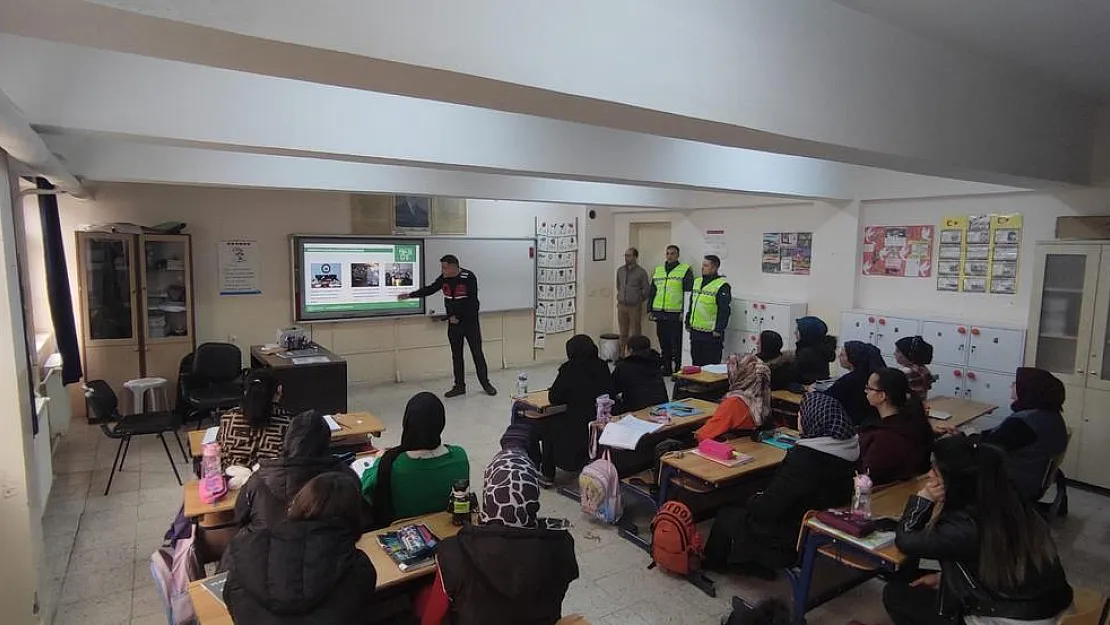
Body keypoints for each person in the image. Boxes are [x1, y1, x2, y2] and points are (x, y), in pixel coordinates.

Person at [883, 436, 1074, 625]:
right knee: (911, 579)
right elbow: (996, 562)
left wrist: (924, 498)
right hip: (1048, 605)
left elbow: (906, 540)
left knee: (894, 594)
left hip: (1011, 617)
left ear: (955, 481)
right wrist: (945, 579)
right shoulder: (1013, 505)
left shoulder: (964, 526)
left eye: (935, 471)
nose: (929, 476)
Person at [419, 438, 579, 625]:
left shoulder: (453, 552)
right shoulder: (560, 546)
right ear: (533, 497)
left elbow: (430, 620)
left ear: (489, 496)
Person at [704, 392, 858, 578]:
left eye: (802, 413)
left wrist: (752, 499)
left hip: (787, 536)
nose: (799, 417)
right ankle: (745, 561)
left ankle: (714, 564)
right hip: (817, 524)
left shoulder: (805, 459)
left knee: (728, 513)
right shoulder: (850, 451)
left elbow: (769, 508)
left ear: (814, 419)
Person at [223, 472, 378, 625]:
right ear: (355, 516)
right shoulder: (360, 569)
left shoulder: (245, 553)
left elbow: (232, 600)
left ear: (299, 503)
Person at [231, 411, 358, 534]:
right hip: (326, 551)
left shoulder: (258, 479)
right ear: (326, 443)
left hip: (268, 550)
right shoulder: (344, 477)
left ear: (287, 439)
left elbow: (240, 519)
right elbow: (358, 522)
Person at [361, 392, 469, 527]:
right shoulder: (460, 456)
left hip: (404, 534)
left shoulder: (391, 466)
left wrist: (378, 460)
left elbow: (366, 489)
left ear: (407, 422)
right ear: (441, 423)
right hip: (448, 531)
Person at [400, 254, 497, 397]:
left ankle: (486, 384)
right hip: (453, 324)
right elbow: (431, 289)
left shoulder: (468, 277)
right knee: (456, 356)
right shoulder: (444, 278)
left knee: (477, 354)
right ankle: (459, 386)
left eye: (445, 267)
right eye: (442, 267)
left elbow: (473, 304)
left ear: (453, 266)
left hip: (470, 323)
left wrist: (457, 317)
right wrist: (410, 295)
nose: (443, 270)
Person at [980, 367, 1069, 501]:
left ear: (1029, 389)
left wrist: (963, 440)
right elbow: (1002, 437)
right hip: (1033, 478)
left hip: (1014, 483)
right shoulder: (1051, 415)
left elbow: (987, 447)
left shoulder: (1024, 422)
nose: (1012, 386)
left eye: (1016, 383)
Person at [541, 335, 615, 485]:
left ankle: (548, 475)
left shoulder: (569, 369)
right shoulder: (602, 366)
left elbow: (555, 397)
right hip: (601, 421)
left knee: (547, 426)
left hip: (578, 424)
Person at [859, 368, 934, 485]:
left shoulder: (883, 438)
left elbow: (867, 476)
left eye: (869, 388)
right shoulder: (913, 421)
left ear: (882, 396)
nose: (866, 391)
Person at [215, 369, 293, 471]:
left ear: (246, 392)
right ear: (279, 391)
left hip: (232, 479)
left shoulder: (229, 417)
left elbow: (219, 449)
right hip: (271, 480)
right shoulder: (289, 422)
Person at [695, 354, 770, 442]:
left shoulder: (733, 403)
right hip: (754, 448)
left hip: (734, 449)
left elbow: (703, 436)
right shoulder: (764, 398)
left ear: (738, 374)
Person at [648, 245, 695, 374]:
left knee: (676, 344)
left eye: (673, 253)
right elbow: (652, 291)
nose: (670, 256)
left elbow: (688, 293)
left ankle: (678, 370)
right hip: (660, 312)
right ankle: (666, 368)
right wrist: (650, 310)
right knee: (664, 343)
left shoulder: (685, 270)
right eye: (668, 253)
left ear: (678, 255)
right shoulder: (659, 270)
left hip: (675, 314)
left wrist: (684, 312)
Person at [824, 340, 886, 427]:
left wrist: (811, 390)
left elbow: (826, 397)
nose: (839, 356)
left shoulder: (849, 380)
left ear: (852, 359)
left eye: (842, 355)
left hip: (850, 424)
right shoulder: (874, 376)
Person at [686, 255, 733, 366]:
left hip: (711, 334)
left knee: (710, 365)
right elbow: (692, 303)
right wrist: (688, 320)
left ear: (714, 268)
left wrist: (719, 329)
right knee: (696, 363)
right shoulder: (697, 281)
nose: (702, 268)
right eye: (703, 265)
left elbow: (724, 310)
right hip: (696, 330)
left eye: (706, 266)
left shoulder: (722, 285)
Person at [612, 335, 669, 413]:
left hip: (636, 410)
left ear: (630, 350)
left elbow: (612, 389)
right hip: (662, 408)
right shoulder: (656, 362)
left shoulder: (624, 366)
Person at [616, 247, 651, 356]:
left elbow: (646, 289)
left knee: (635, 333)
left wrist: (638, 298)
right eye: (626, 255)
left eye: (629, 255)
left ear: (635, 257)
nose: (627, 258)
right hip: (622, 305)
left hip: (634, 306)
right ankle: (622, 355)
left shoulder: (641, 272)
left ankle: (635, 355)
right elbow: (618, 285)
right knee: (623, 332)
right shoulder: (620, 270)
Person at [792, 316, 837, 386]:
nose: (794, 332)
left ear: (807, 332)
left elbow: (794, 375)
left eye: (798, 330)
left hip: (807, 389)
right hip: (819, 386)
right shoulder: (821, 347)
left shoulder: (807, 353)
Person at [895, 336, 935, 400]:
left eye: (898, 351)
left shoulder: (906, 372)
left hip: (907, 407)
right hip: (918, 405)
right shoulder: (923, 369)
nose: (894, 353)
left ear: (908, 355)